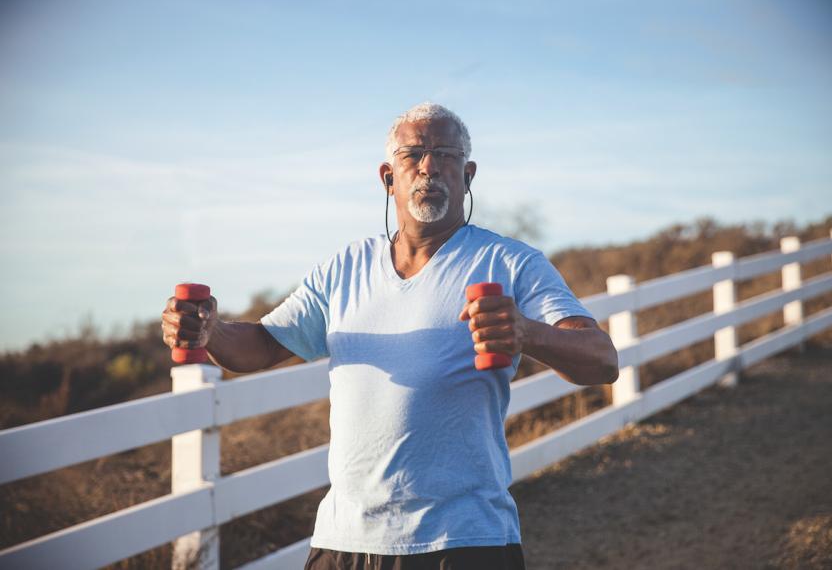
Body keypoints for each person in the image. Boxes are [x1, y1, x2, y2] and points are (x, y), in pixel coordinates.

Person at [162, 102, 619, 569]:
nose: (429, 166)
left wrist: (528, 332)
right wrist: (211, 331)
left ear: (469, 174)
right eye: (413, 154)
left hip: (462, 541)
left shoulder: (509, 262)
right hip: (344, 542)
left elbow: (602, 360)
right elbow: (259, 346)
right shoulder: (345, 268)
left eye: (446, 154)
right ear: (387, 177)